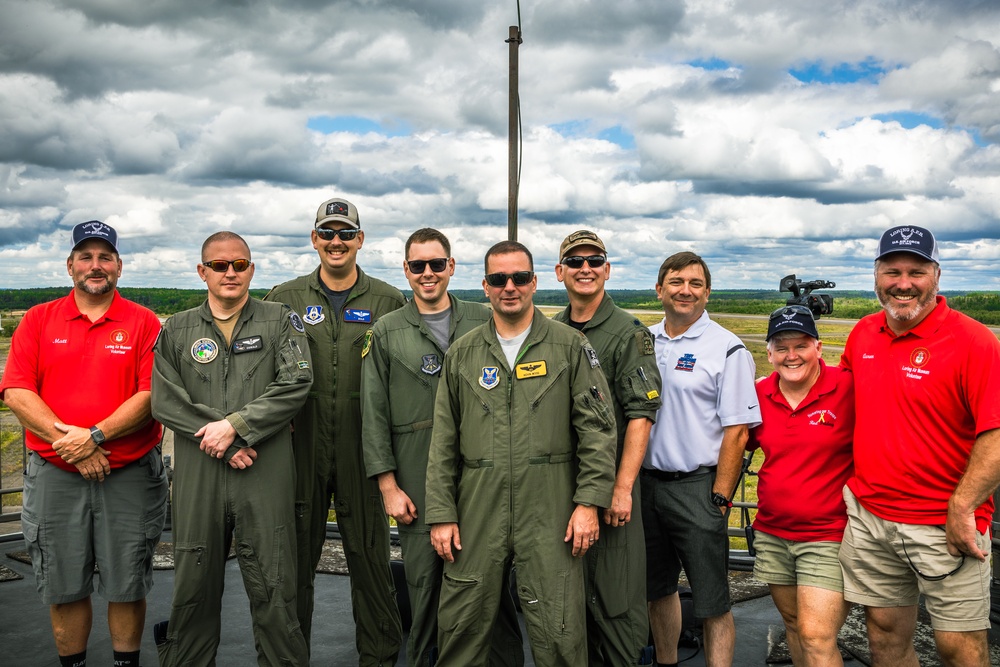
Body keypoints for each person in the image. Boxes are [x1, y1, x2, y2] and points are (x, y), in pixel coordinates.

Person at [425, 240, 618, 667]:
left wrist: (588, 503)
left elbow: (598, 431)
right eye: (498, 279)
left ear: (535, 282)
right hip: (477, 506)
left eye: (519, 277)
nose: (509, 287)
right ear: (485, 286)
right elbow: (443, 442)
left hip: (549, 507)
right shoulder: (463, 352)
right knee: (463, 624)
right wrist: (441, 513)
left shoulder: (569, 346)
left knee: (560, 628)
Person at [0, 221, 167, 667]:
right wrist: (73, 443)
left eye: (105, 257)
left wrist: (95, 436)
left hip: (128, 474)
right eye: (86, 257)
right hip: (56, 474)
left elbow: (152, 396)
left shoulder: (144, 322)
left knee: (127, 582)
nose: (96, 265)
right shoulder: (38, 319)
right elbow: (16, 390)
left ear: (119, 266)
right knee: (63, 582)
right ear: (70, 265)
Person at [361, 228, 524, 667]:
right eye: (418, 266)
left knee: (494, 591)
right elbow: (372, 415)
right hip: (415, 480)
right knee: (424, 589)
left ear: (451, 267)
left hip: (482, 478)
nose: (428, 273)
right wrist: (388, 486)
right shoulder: (388, 331)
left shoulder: (483, 317)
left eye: (436, 264)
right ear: (406, 271)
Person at [839, 225, 1000, 667]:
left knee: (960, 648)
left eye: (917, 272)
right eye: (893, 271)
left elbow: (997, 433)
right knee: (884, 636)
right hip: (871, 520)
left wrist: (963, 505)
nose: (903, 284)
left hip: (945, 527)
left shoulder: (974, 341)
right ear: (876, 275)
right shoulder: (864, 334)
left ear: (936, 275)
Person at [151, 232, 313, 666]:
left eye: (239, 265)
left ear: (251, 270)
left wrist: (237, 427)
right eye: (219, 265)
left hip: (265, 470)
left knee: (276, 587)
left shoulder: (280, 320)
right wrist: (221, 441)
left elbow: (295, 382)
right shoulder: (177, 328)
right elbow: (165, 400)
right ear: (201, 271)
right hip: (201, 474)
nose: (230, 273)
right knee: (193, 588)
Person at [264, 197, 404, 664]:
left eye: (346, 233)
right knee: (294, 565)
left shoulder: (388, 300)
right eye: (328, 233)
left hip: (364, 452)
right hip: (298, 449)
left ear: (360, 240)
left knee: (371, 563)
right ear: (314, 239)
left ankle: (379, 657)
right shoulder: (284, 299)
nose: (337, 241)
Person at [641, 251, 761, 667]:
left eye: (695, 283)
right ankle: (667, 661)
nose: (685, 290)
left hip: (699, 487)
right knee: (658, 589)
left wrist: (722, 498)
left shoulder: (727, 348)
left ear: (707, 292)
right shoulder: (645, 342)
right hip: (647, 485)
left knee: (712, 601)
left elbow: (738, 430)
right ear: (660, 290)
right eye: (676, 282)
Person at [552, 230, 662, 666]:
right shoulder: (552, 331)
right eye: (575, 261)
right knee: (566, 602)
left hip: (612, 486)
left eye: (594, 260)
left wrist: (621, 488)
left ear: (607, 270)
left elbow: (641, 415)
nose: (585, 268)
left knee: (616, 600)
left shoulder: (627, 334)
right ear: (559, 272)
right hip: (562, 486)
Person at [747, 306, 854, 667]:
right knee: (794, 625)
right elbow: (733, 445)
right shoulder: (758, 394)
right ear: (769, 354)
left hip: (828, 534)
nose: (791, 355)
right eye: (782, 347)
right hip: (773, 533)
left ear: (819, 348)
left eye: (801, 345)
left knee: (816, 634)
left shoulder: (847, 386)